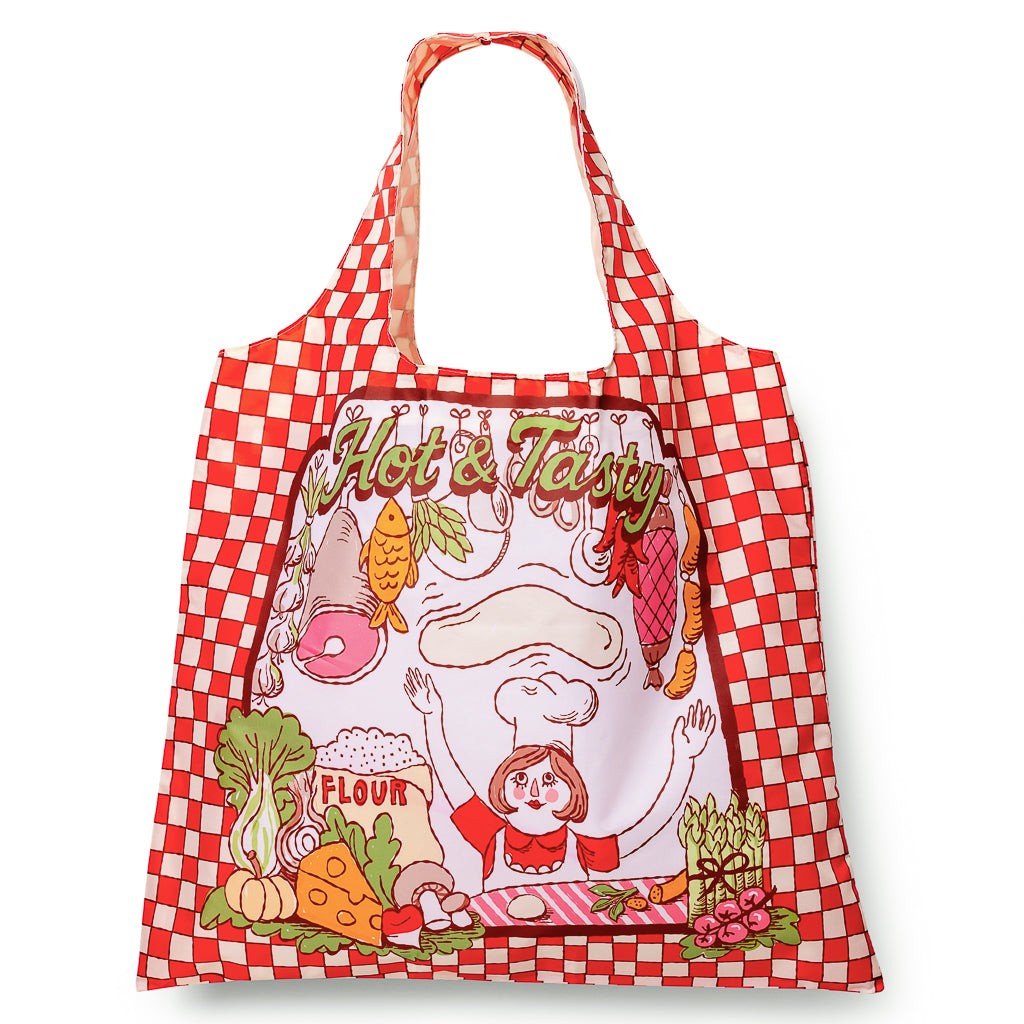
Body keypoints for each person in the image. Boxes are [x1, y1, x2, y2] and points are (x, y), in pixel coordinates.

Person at [404, 667, 716, 891]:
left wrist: (683, 759)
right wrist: (432, 716)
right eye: (520, 778)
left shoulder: (584, 846)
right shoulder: (492, 835)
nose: (534, 791)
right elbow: (454, 787)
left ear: (573, 788)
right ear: (502, 782)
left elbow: (648, 827)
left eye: (550, 780)